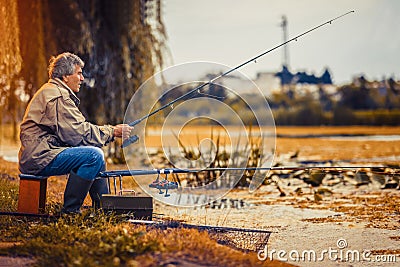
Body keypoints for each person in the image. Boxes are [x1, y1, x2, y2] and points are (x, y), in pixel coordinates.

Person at [18, 52, 132, 213]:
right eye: (79, 73)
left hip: (39, 154)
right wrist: (112, 131)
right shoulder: (58, 96)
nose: (82, 78)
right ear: (65, 76)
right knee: (94, 156)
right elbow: (80, 134)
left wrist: (109, 132)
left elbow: (74, 133)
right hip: (39, 158)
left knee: (96, 157)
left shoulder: (52, 91)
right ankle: (70, 211)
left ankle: (106, 210)